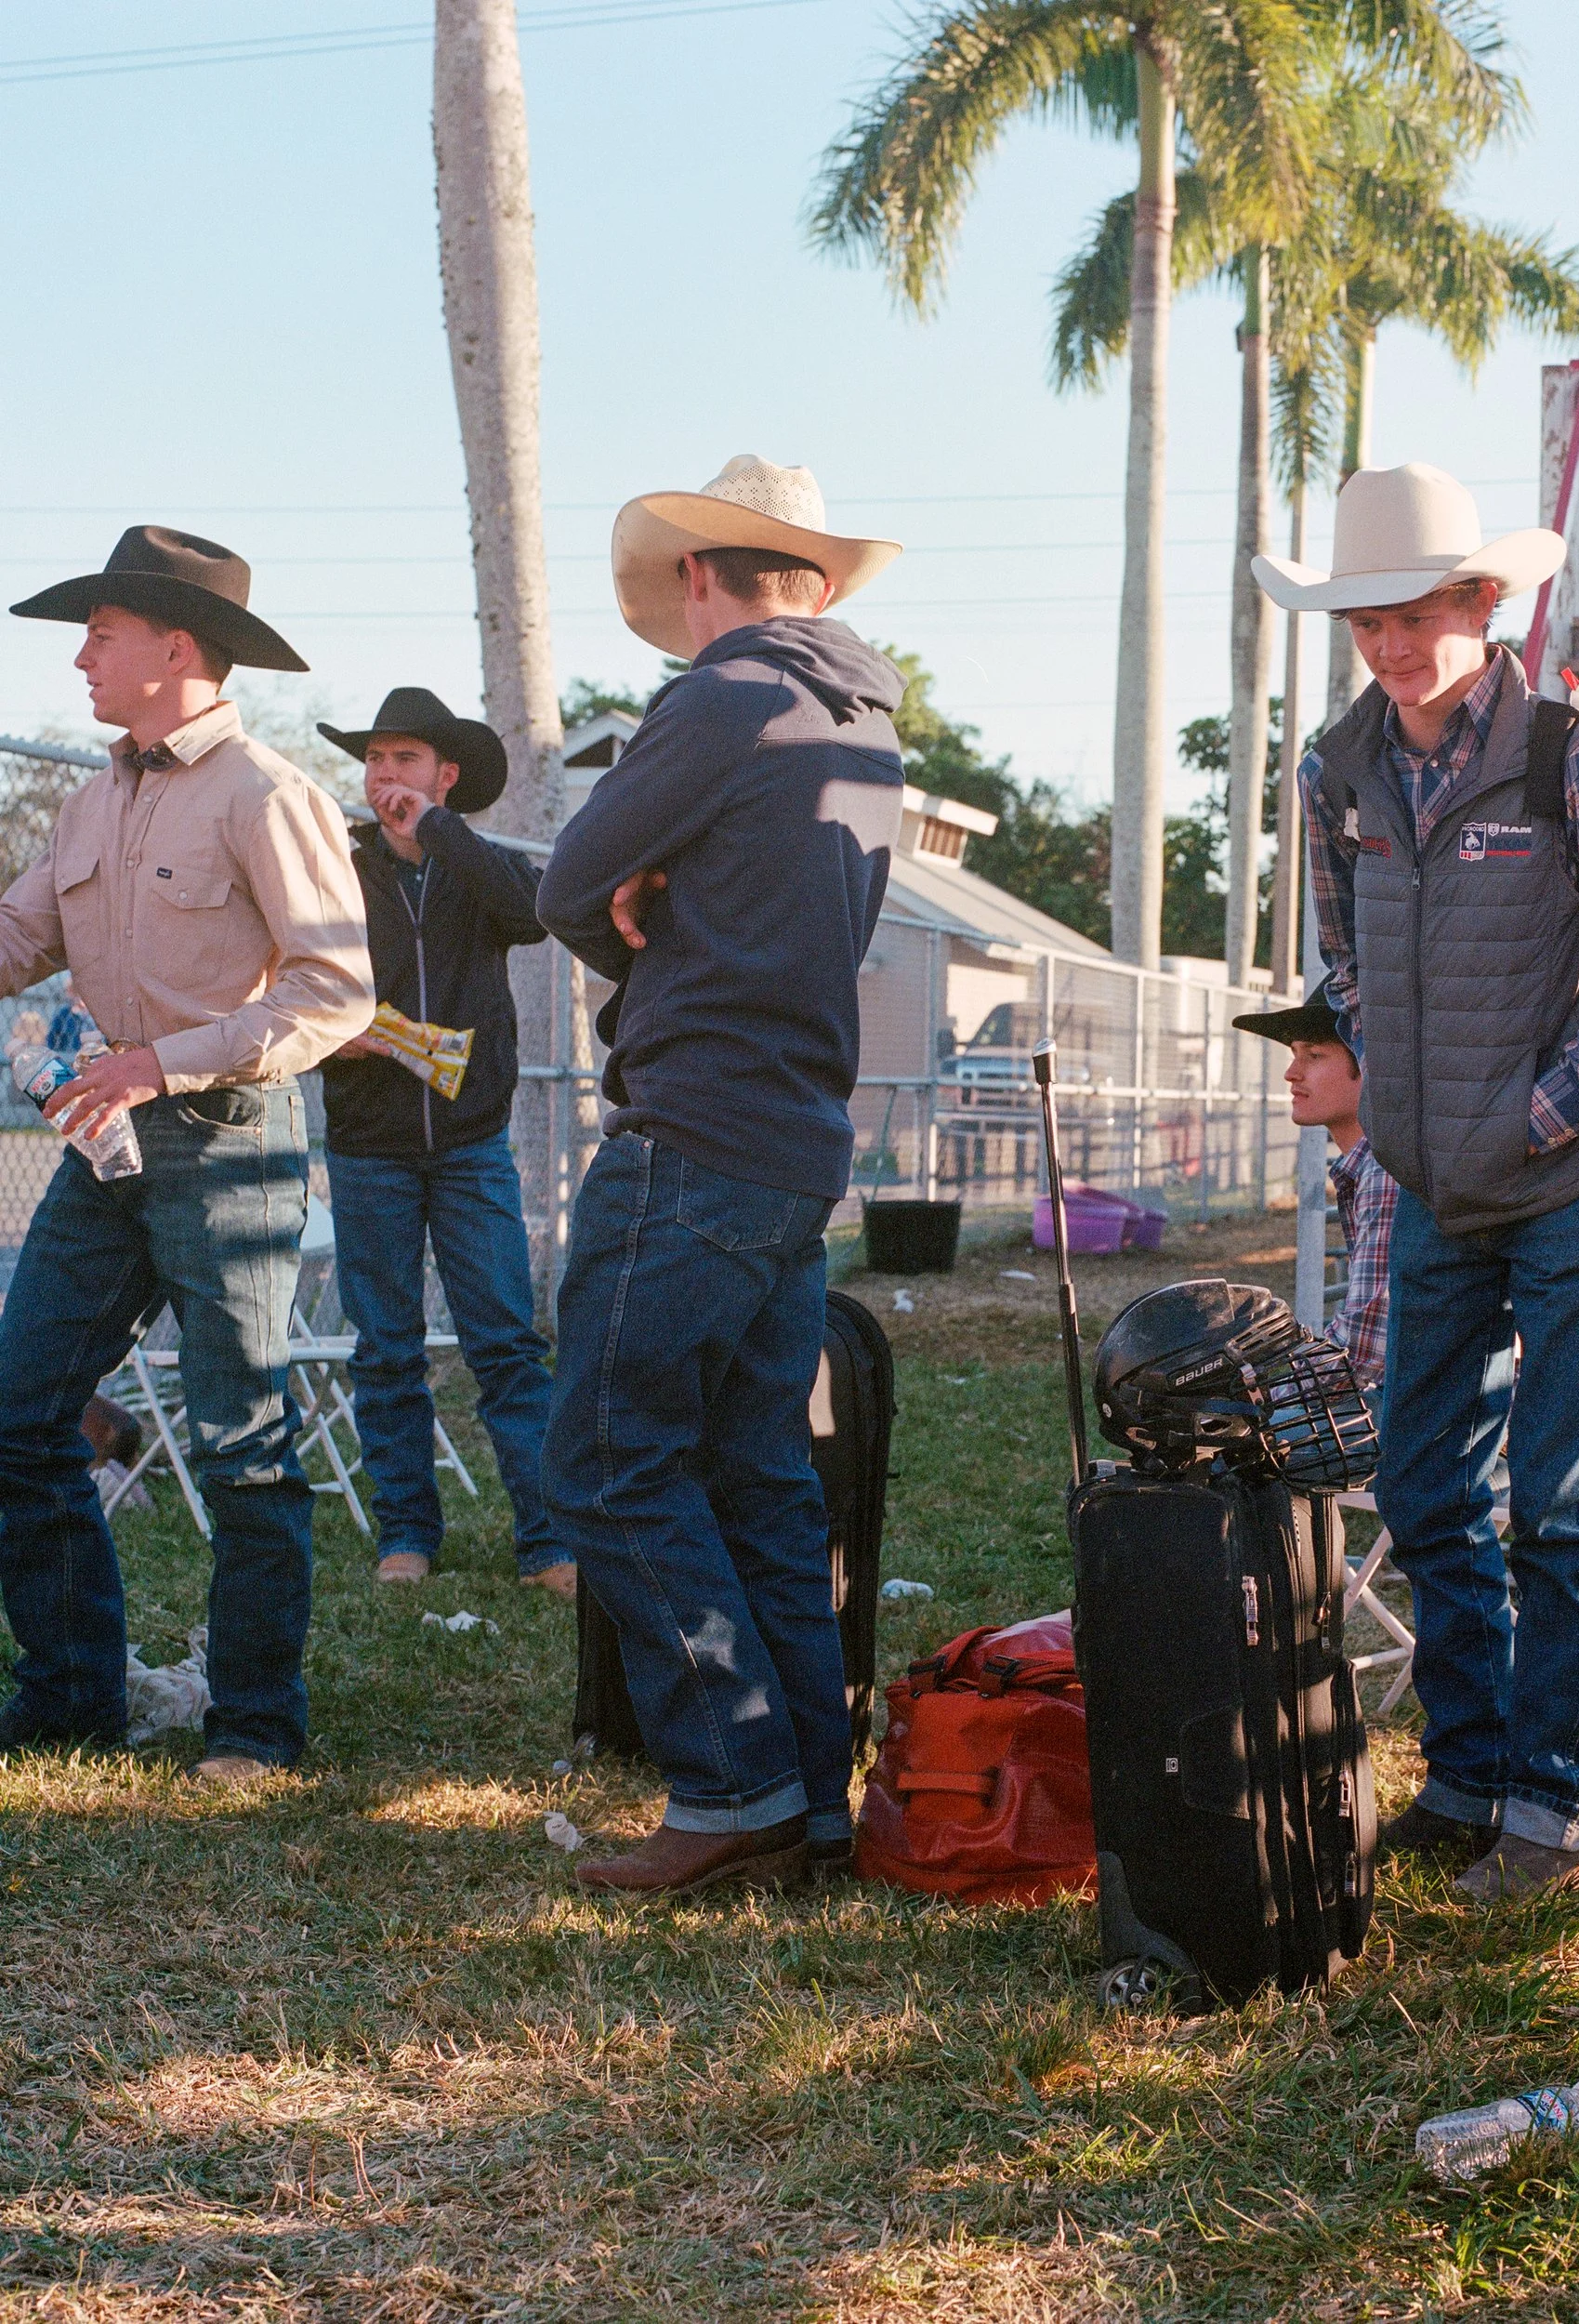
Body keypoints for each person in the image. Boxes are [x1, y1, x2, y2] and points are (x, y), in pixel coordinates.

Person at [1257, 464, 1579, 1905]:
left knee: (1562, 1508)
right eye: (1366, 622)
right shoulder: (1339, 768)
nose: (1391, 647)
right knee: (1430, 1486)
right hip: (1435, 1187)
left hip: (1573, 1189)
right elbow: (1347, 965)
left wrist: (1522, 1119)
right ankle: (1467, 1775)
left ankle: (1559, 1809)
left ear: (1481, 603)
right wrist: (1417, 1114)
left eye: (1416, 615)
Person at [536, 456, 904, 1899]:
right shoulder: (863, 719)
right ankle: (813, 1801)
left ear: (701, 573)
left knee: (606, 1459)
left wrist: (644, 928)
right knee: (757, 1473)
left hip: (692, 1128)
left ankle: (731, 1777)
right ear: (807, 578)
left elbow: (574, 879)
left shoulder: (723, 696)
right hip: (796, 1135)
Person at [0, 527, 373, 1778]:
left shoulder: (271, 794)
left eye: (98, 634)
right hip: (110, 1150)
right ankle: (68, 1699)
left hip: (228, 1139)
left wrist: (159, 1063)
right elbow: (19, 933)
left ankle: (257, 1725)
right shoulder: (97, 795)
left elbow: (336, 994)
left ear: (173, 645)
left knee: (244, 1440)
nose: (82, 662)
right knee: (17, 1415)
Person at [315, 688, 574, 1597]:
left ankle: (546, 1540)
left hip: (471, 1146)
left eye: (407, 761)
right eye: (377, 760)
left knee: (504, 1341)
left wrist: (442, 832)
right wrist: (326, 1035)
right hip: (366, 1145)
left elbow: (536, 912)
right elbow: (290, 980)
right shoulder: (336, 871)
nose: (386, 776)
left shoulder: (480, 869)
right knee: (385, 1349)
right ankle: (407, 1535)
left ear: (445, 776)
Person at [1230, 998, 1395, 1395]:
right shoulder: (1371, 1163)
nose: (1291, 1073)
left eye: (1315, 1055)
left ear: (1370, 1065)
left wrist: (1265, 1402)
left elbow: (1361, 1350)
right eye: (1293, 1054)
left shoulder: (1387, 1170)